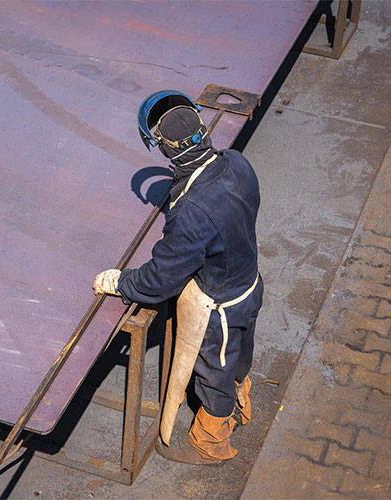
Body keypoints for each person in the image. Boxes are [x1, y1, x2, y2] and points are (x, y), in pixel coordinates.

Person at [92, 90, 263, 465]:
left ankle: (210, 441)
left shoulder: (191, 212)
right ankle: (241, 399)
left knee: (213, 370)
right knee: (239, 355)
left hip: (218, 305)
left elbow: (160, 281)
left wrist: (120, 282)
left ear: (164, 148)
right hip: (249, 282)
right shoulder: (237, 163)